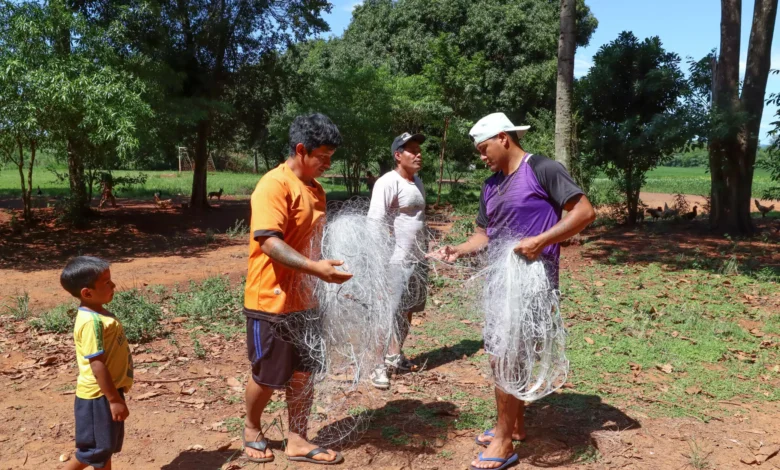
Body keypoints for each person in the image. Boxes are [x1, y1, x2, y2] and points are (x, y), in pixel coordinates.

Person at [427, 112, 595, 470]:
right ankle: (514, 425)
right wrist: (457, 249)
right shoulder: (490, 186)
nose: (481, 156)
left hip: (533, 284)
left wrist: (542, 240)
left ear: (504, 138)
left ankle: (502, 441)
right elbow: (482, 236)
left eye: (483, 148)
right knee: (502, 354)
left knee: (508, 355)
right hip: (500, 283)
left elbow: (583, 212)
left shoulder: (543, 169)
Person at [242, 113, 352, 465]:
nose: (327, 163)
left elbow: (311, 240)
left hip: (306, 298)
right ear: (301, 150)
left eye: (331, 157)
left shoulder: (315, 189)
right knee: (268, 375)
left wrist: (326, 271)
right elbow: (269, 243)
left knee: (305, 370)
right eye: (322, 156)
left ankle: (298, 439)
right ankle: (250, 429)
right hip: (271, 300)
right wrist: (313, 269)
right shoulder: (274, 185)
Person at [366, 132, 428, 389]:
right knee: (386, 312)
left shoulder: (417, 182)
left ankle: (394, 354)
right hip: (394, 261)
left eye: (419, 150)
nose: (418, 154)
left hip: (416, 259)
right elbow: (375, 222)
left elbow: (416, 220)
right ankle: (377, 365)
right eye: (411, 150)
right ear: (398, 155)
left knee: (408, 309)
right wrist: (377, 259)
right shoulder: (387, 182)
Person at [60, 256, 133, 470]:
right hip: (98, 397)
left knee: (104, 448)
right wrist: (114, 400)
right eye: (106, 282)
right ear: (87, 293)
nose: (113, 285)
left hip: (109, 390)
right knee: (92, 452)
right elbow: (97, 364)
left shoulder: (97, 313)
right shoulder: (91, 322)